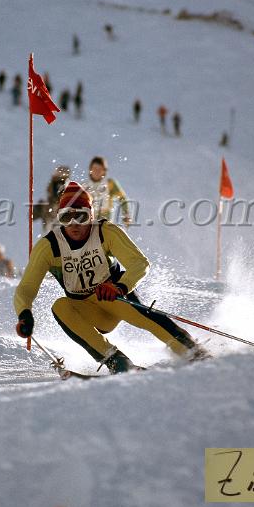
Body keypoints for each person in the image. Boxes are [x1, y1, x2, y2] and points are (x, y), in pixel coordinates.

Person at [13, 182, 208, 373]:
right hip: (88, 310)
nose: (74, 224)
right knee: (59, 306)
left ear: (91, 216)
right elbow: (26, 287)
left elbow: (139, 263)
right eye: (66, 217)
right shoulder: (49, 246)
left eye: (81, 216)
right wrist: (24, 314)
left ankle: (192, 351)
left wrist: (121, 286)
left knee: (144, 316)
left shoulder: (105, 232)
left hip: (112, 296)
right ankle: (117, 362)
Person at [82, 156, 131, 226]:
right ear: (90, 170)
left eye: (100, 169)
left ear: (104, 171)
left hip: (105, 221)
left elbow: (122, 198)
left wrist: (126, 213)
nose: (97, 172)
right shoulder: (84, 186)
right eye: (95, 169)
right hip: (88, 220)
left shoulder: (110, 184)